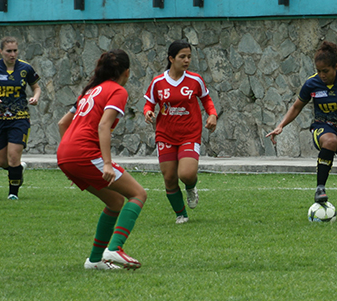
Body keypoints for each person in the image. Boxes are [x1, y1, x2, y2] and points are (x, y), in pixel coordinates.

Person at [57, 49, 148, 270]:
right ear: (126, 72)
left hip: (66, 154)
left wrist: (73, 164)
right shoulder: (117, 91)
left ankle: (95, 261)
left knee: (115, 201)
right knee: (138, 194)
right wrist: (106, 163)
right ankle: (115, 249)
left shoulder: (90, 91)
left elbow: (62, 124)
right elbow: (104, 125)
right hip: (83, 153)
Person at [266, 40, 337, 219]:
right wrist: (280, 126)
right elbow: (296, 107)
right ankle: (320, 189)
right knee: (331, 140)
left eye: (325, 71)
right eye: (319, 71)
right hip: (322, 128)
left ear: (336, 67)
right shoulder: (312, 84)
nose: (322, 75)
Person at [142, 40, 218, 224]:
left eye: (189, 57)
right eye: (182, 57)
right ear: (171, 58)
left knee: (186, 174)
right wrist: (148, 112)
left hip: (189, 133)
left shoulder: (195, 80)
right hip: (165, 134)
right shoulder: (158, 82)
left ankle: (191, 187)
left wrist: (212, 114)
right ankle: (181, 214)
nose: (186, 60)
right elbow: (149, 103)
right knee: (169, 178)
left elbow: (206, 99)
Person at [0, 36, 41, 200]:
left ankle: (13, 193)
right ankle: (18, 170)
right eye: (9, 51)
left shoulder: (25, 68)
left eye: (15, 51)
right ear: (1, 52)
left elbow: (36, 87)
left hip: (19, 118)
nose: (12, 54)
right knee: (2, 162)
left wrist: (35, 97)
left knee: (13, 158)